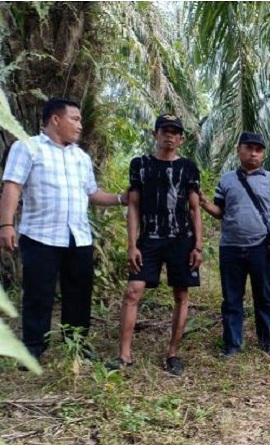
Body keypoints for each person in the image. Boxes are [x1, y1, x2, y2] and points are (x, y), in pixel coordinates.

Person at [0, 97, 128, 362]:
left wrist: (120, 199)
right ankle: (33, 349)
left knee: (79, 293)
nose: (80, 125)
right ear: (55, 119)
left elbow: (92, 193)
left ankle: (77, 345)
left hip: (78, 236)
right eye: (75, 119)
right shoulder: (28, 148)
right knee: (38, 294)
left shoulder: (80, 157)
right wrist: (6, 224)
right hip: (40, 235)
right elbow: (13, 186)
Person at [112, 114, 202, 376]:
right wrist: (132, 245)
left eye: (175, 132)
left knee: (181, 294)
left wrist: (198, 246)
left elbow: (195, 209)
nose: (169, 136)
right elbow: (134, 205)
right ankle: (124, 355)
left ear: (181, 138)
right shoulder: (140, 164)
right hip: (149, 238)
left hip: (181, 239)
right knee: (133, 291)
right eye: (165, 131)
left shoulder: (188, 167)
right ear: (155, 134)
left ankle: (173, 353)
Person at [199, 132, 270, 358]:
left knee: (264, 296)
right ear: (238, 150)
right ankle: (232, 345)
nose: (253, 153)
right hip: (230, 247)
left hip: (262, 247)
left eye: (258, 149)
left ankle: (269, 344)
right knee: (232, 298)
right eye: (249, 148)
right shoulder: (226, 179)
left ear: (263, 154)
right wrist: (204, 203)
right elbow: (219, 211)